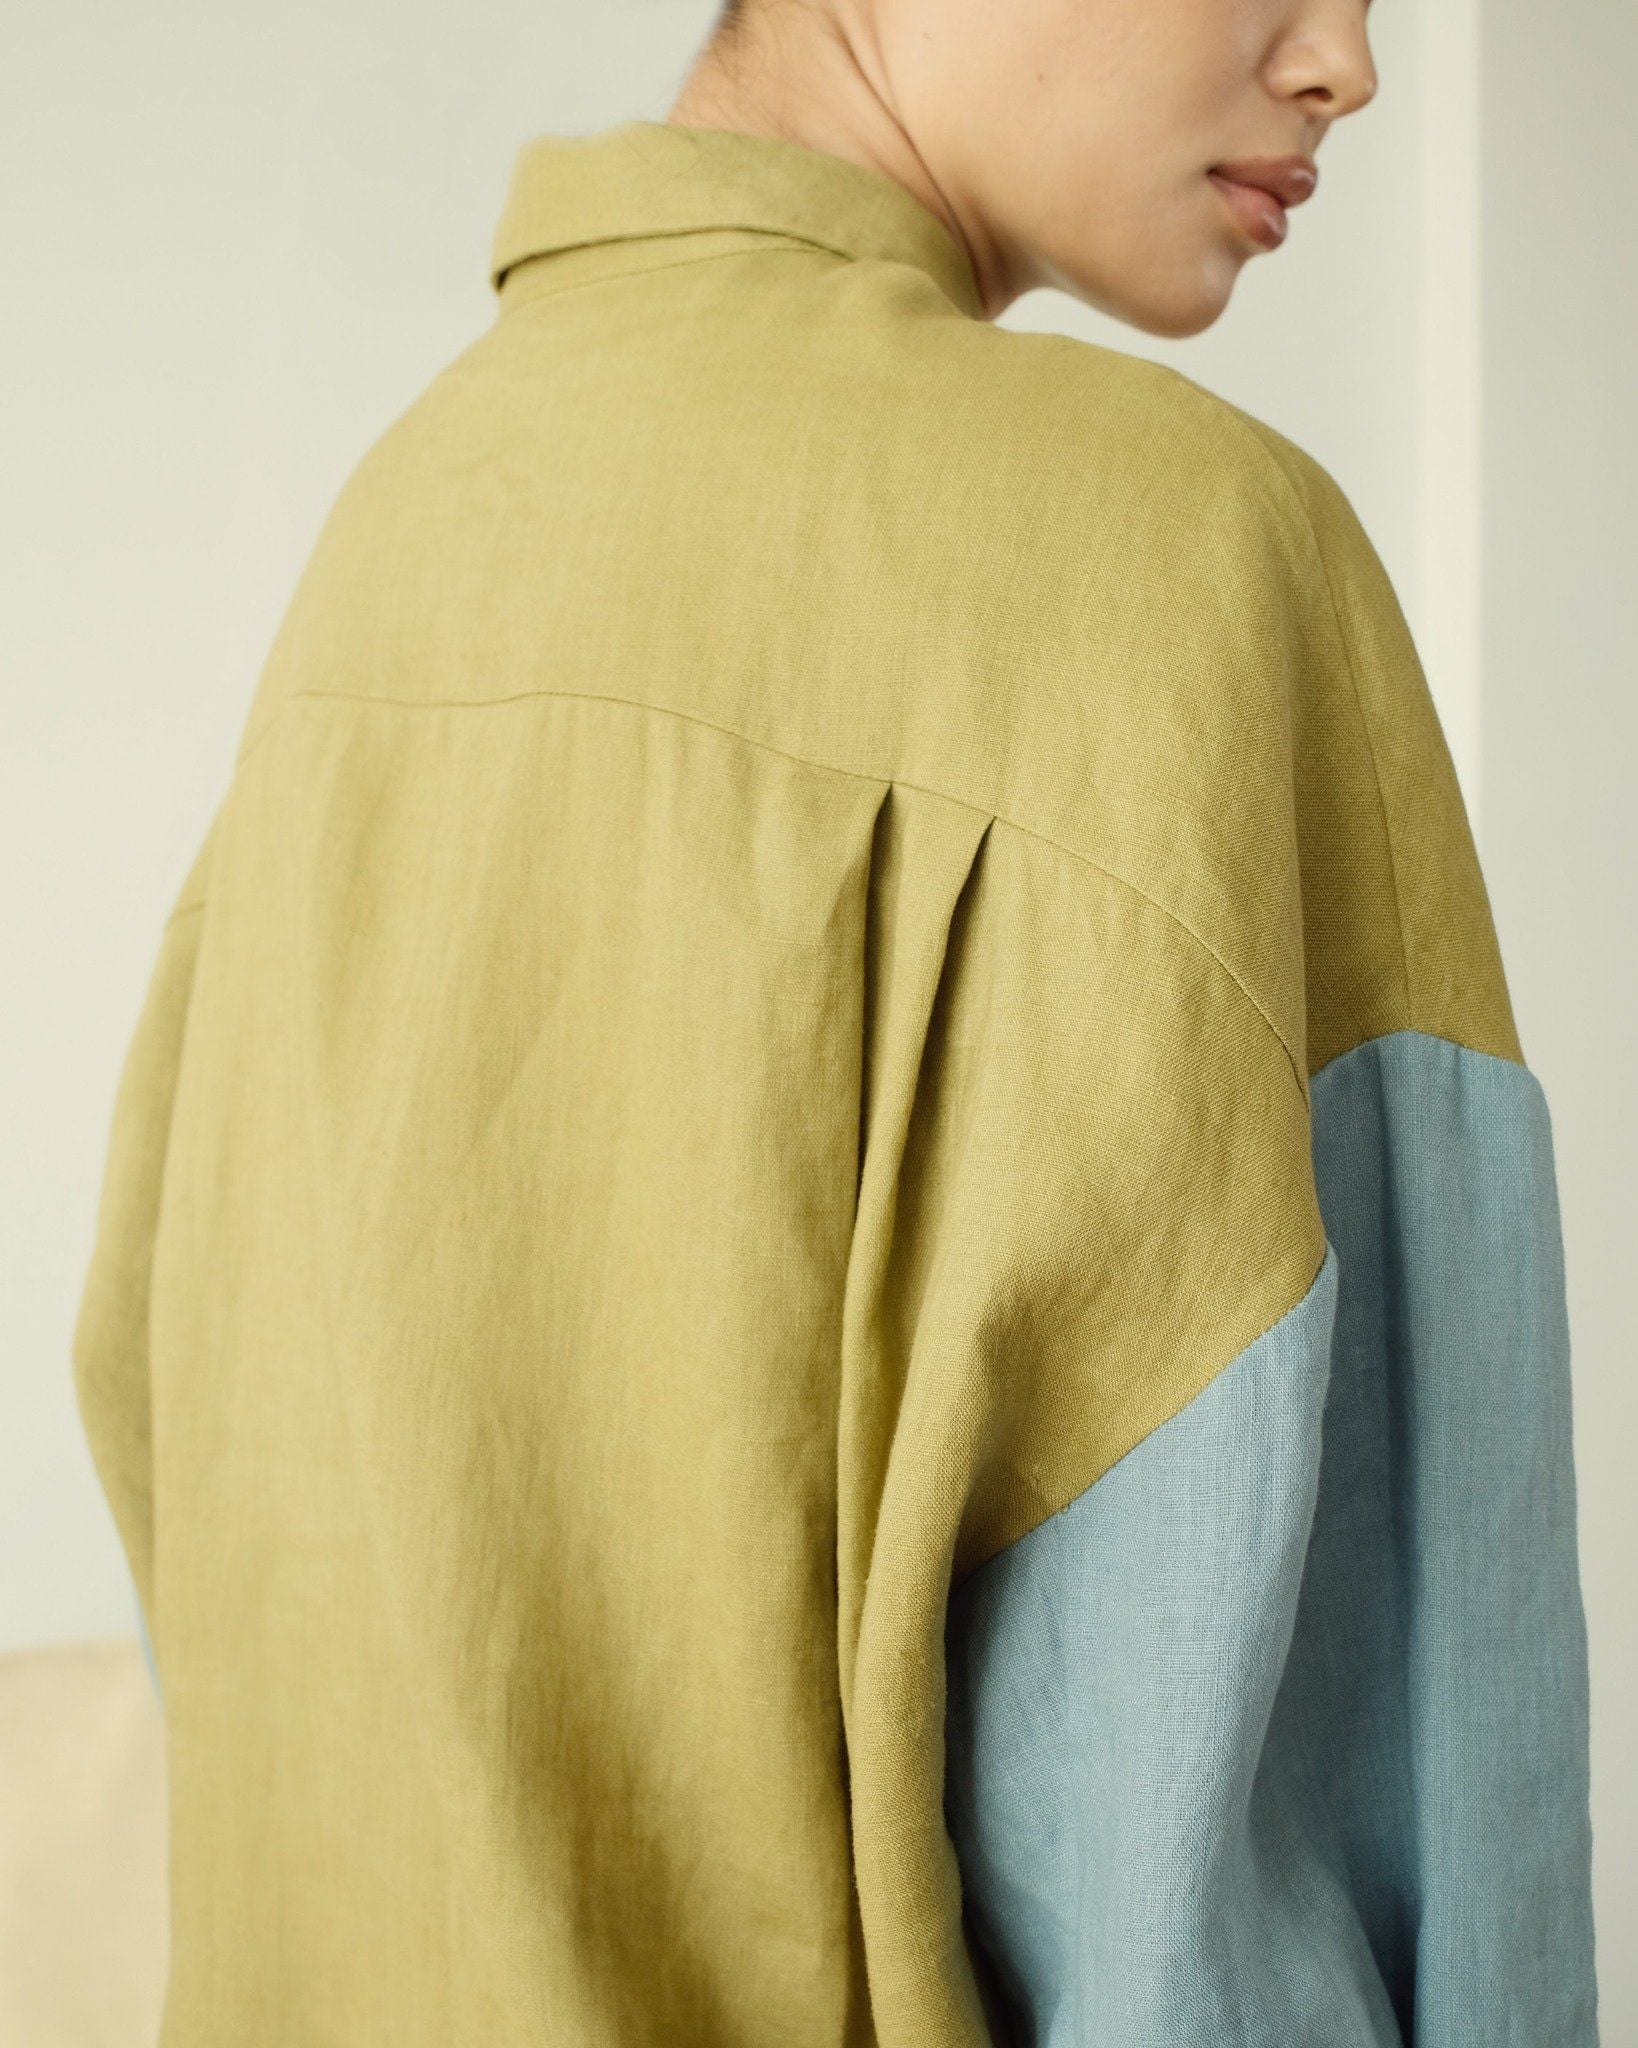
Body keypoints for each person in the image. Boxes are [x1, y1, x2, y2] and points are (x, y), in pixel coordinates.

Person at [72, 0, 1600, 2041]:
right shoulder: (1186, 550)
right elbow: (1315, 1801)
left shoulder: (407, 523)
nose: (1346, 61)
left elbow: (166, 1442)